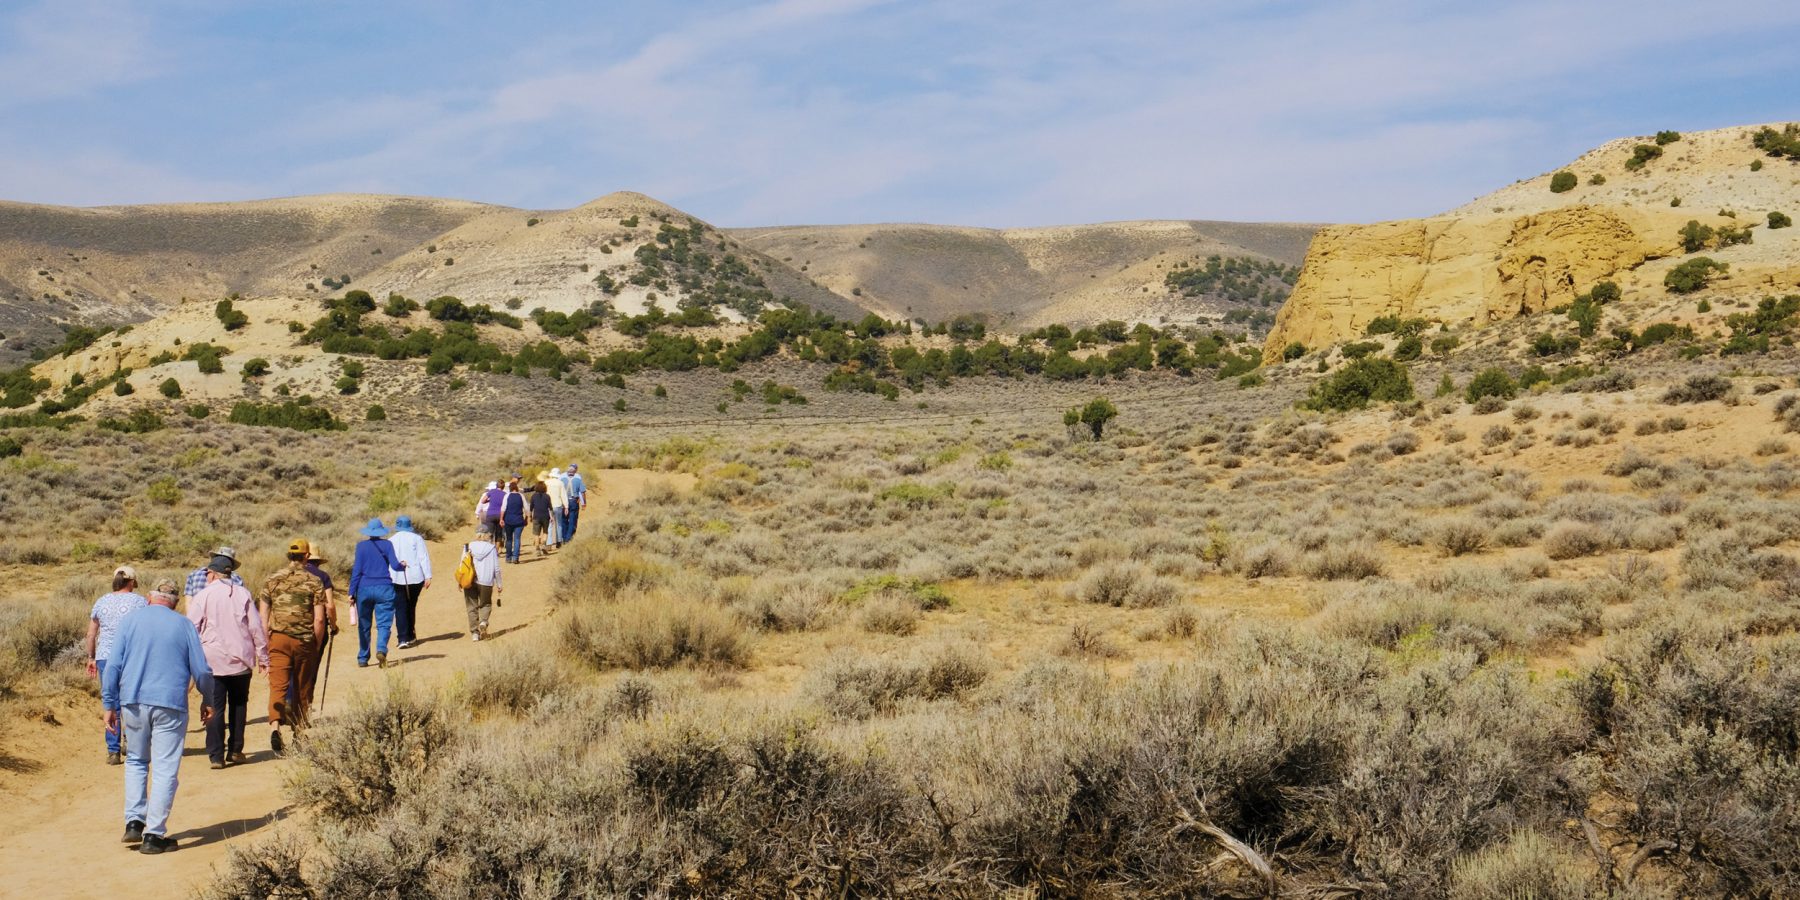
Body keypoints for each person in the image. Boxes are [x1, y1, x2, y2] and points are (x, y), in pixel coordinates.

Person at [102, 581, 214, 854]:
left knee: (137, 761)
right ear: (174, 602)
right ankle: (154, 835)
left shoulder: (130, 622)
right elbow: (201, 670)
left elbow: (113, 665)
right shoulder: (184, 625)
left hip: (133, 702)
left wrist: (109, 704)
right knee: (165, 767)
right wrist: (207, 699)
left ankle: (133, 822)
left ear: (149, 597)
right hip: (170, 704)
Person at [187, 556, 267, 768]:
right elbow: (256, 628)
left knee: (215, 707)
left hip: (212, 661)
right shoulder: (243, 593)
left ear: (212, 573)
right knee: (239, 706)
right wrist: (263, 656)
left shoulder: (203, 595)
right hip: (241, 660)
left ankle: (216, 756)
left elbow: (191, 628)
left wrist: (191, 660)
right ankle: (235, 750)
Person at [258, 540, 329, 754]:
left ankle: (275, 728)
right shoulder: (314, 581)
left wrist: (264, 645)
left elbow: (263, 618)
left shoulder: (271, 580)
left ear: (289, 556)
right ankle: (298, 732)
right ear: (307, 556)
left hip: (277, 639)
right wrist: (315, 644)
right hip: (303, 640)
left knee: (277, 686)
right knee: (302, 687)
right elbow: (319, 620)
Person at [85, 565, 148, 765]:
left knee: (110, 700)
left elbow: (91, 634)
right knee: (130, 700)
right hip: (131, 656)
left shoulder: (101, 601)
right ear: (132, 582)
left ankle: (112, 750)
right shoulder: (140, 602)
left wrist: (91, 657)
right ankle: (129, 742)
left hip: (105, 657)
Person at [349, 518, 403, 668]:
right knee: (384, 623)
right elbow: (395, 566)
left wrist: (351, 591)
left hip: (364, 589)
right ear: (381, 531)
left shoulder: (361, 546)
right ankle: (381, 649)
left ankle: (363, 657)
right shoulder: (387, 544)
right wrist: (402, 566)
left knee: (364, 625)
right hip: (384, 587)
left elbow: (357, 571)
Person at [388, 516, 432, 649]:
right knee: (411, 605)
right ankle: (410, 635)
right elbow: (423, 557)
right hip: (415, 577)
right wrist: (428, 576)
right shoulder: (417, 538)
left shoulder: (391, 540)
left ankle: (402, 638)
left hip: (396, 578)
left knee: (400, 607)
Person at [462, 528, 502, 640]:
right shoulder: (492, 548)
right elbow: (496, 568)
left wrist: (461, 581)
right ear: (487, 535)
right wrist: (499, 583)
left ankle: (475, 633)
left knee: (471, 607)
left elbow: (463, 564)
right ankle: (483, 622)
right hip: (486, 581)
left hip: (470, 580)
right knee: (486, 604)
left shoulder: (468, 546)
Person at [501, 480, 527, 563]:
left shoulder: (507, 496)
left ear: (510, 488)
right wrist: (526, 519)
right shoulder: (521, 496)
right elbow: (527, 509)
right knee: (517, 539)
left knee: (509, 539)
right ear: (516, 488)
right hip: (519, 521)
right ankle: (515, 557)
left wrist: (501, 519)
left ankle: (508, 557)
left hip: (508, 520)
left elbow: (503, 509)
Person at [543, 468, 568, 548]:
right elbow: (563, 495)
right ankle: (558, 542)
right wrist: (566, 506)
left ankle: (549, 543)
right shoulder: (560, 483)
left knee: (549, 525)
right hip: (558, 505)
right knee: (559, 524)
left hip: (548, 506)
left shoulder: (546, 482)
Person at [529, 480, 553, 558]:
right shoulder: (547, 496)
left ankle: (537, 549)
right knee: (545, 532)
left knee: (536, 533)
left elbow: (531, 508)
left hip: (536, 516)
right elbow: (550, 508)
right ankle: (543, 544)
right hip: (546, 516)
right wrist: (552, 517)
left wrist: (530, 516)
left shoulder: (533, 496)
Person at [566, 463, 588, 540]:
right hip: (574, 501)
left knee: (564, 519)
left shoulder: (562, 478)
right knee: (573, 519)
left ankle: (563, 537)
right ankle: (569, 537)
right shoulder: (578, 478)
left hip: (564, 501)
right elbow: (582, 492)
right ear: (575, 470)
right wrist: (583, 503)